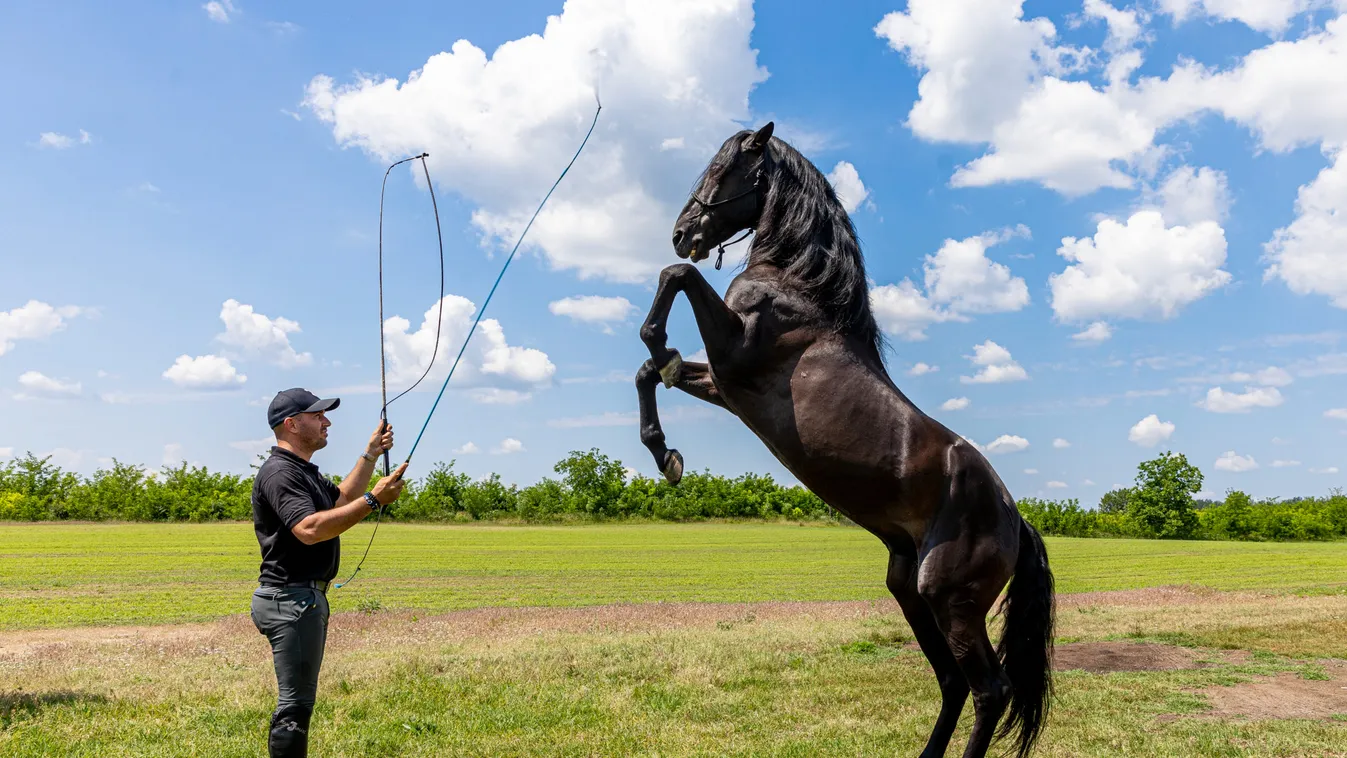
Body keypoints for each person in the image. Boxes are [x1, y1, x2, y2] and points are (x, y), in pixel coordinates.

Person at [249, 387, 409, 757]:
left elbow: (340, 501)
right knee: (295, 706)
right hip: (290, 598)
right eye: (317, 415)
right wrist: (375, 500)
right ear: (291, 424)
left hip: (299, 597)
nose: (327, 421)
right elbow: (309, 529)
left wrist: (371, 454)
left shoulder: (302, 470)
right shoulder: (280, 473)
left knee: (299, 701)